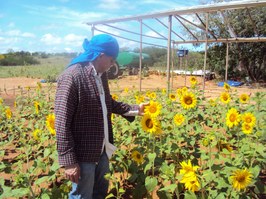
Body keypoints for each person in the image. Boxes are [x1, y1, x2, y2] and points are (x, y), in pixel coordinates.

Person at [55, 34, 147, 199]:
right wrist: (69, 161)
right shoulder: (72, 77)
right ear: (101, 55)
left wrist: (135, 109)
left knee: (99, 193)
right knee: (82, 196)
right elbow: (61, 122)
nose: (112, 65)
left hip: (102, 148)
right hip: (83, 155)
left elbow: (107, 103)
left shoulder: (100, 75)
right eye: (112, 60)